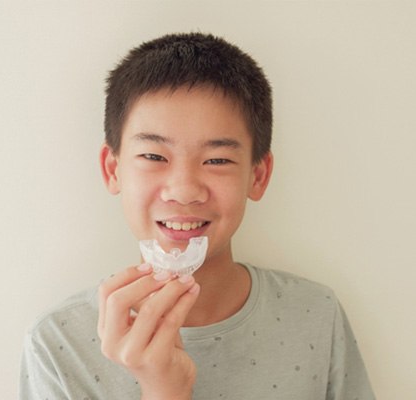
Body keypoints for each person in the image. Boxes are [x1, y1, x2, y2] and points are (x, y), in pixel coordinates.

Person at [19, 32, 374, 400]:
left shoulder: (315, 315)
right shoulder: (57, 341)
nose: (184, 190)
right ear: (113, 170)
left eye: (217, 160)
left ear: (258, 175)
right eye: (154, 157)